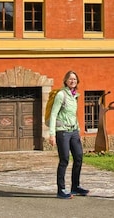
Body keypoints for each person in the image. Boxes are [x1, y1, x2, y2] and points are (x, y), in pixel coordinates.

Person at [48, 71, 89, 199]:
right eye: (70, 79)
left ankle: (75, 187)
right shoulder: (61, 95)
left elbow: (72, 114)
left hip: (74, 131)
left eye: (75, 79)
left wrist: (78, 129)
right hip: (63, 132)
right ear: (65, 80)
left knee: (78, 157)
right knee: (64, 159)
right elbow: (54, 114)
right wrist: (52, 134)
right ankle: (61, 190)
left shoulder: (74, 95)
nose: (73, 81)